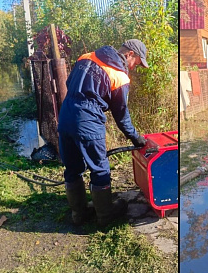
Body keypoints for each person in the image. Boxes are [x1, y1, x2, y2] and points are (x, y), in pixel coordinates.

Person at [58, 39, 148, 227]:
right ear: (130, 54)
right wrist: (136, 137)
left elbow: (69, 82)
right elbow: (121, 115)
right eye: (136, 63)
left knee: (72, 168)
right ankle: (105, 216)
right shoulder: (119, 76)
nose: (133, 67)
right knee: (100, 170)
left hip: (65, 116)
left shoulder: (86, 57)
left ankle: (79, 214)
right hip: (88, 121)